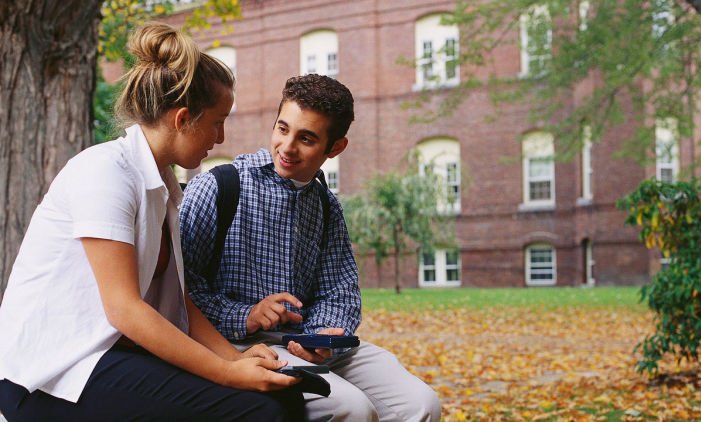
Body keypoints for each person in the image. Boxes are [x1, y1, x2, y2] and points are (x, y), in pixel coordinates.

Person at [0, 22, 304, 420]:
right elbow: (125, 309)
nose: (222, 137)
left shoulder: (162, 186)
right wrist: (229, 375)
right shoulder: (105, 172)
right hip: (48, 373)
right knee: (257, 411)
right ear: (182, 119)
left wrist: (237, 357)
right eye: (216, 121)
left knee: (284, 398)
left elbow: (178, 305)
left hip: (107, 358)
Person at [180, 73, 442, 421]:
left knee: (421, 404)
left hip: (307, 344)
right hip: (237, 343)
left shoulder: (325, 204)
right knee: (352, 409)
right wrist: (247, 315)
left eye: (306, 138)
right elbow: (177, 289)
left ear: (335, 148)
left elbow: (340, 291)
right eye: (282, 128)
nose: (287, 147)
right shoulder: (217, 187)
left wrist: (322, 334)